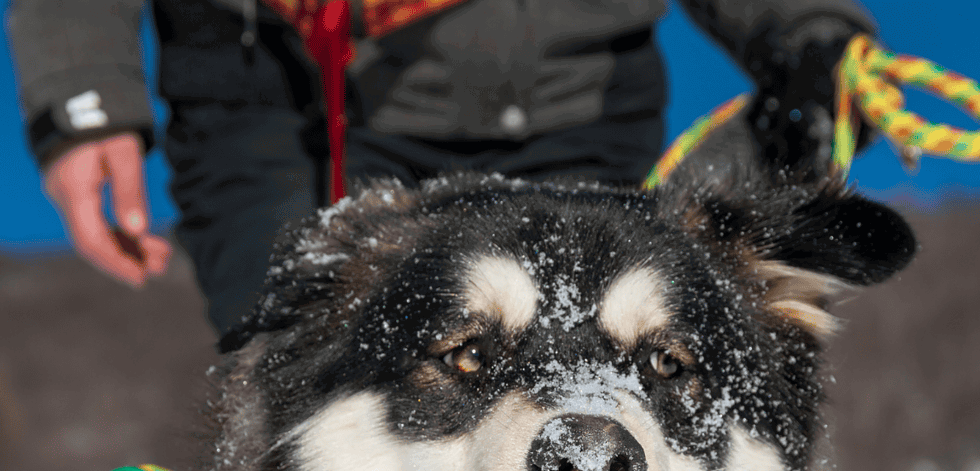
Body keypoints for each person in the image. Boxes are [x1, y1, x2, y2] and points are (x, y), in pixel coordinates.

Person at [6, 0, 877, 345]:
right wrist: (81, 94)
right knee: (292, 383)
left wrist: (814, 37)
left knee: (580, 369)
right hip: (270, 84)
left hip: (562, 95)